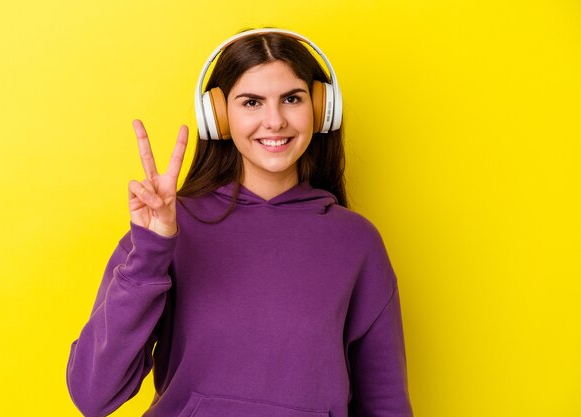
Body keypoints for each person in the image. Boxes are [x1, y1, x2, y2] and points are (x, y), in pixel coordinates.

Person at [66, 28, 413, 417]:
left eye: (292, 99)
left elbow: (387, 404)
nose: (274, 120)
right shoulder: (169, 230)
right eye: (251, 102)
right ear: (218, 117)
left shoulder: (356, 242)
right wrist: (150, 251)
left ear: (320, 109)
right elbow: (92, 394)